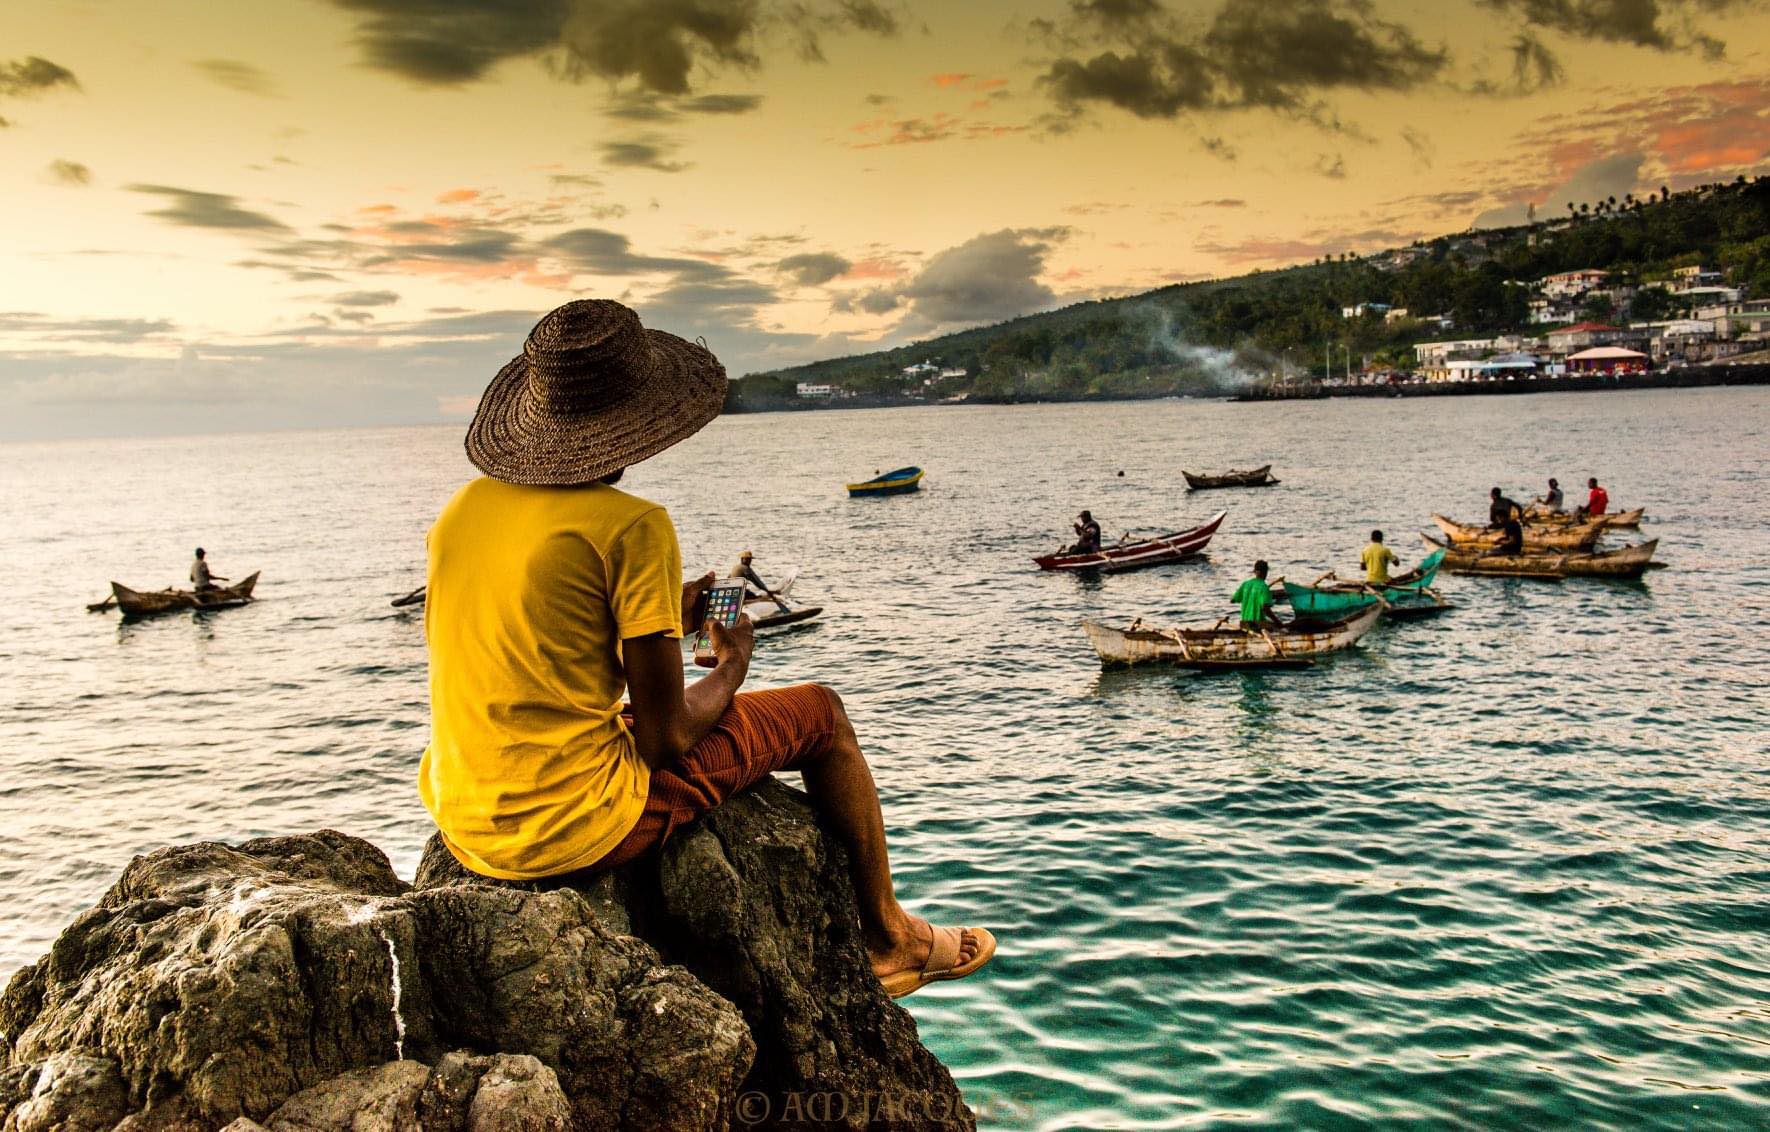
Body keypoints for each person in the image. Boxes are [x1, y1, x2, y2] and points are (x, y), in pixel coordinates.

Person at [420, 299, 993, 1000]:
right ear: (641, 420)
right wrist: (732, 665)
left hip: (465, 815)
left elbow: (541, 637)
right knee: (823, 715)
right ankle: (892, 938)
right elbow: (665, 739)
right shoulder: (633, 526)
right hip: (567, 828)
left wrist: (661, 614)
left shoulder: (464, 509)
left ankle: (889, 933)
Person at [1232, 560, 1282, 630]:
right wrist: (1278, 622)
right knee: (1278, 627)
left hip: (1244, 624)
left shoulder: (1245, 584)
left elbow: (1233, 599)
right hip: (1257, 625)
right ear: (1265, 572)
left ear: (1254, 571)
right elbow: (1265, 608)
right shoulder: (1263, 587)